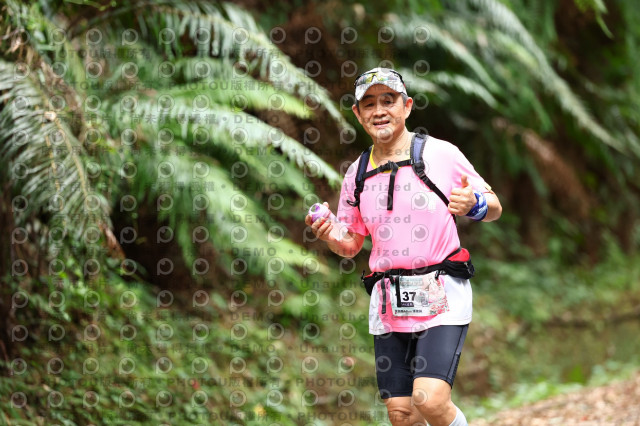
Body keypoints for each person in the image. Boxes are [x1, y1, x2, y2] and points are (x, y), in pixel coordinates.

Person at [305, 67, 502, 426]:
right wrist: (329, 234)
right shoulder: (356, 174)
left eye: (388, 100)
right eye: (369, 104)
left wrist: (474, 204)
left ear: (407, 106)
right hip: (389, 302)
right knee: (401, 414)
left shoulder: (441, 154)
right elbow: (351, 244)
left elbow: (494, 206)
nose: (379, 110)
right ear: (358, 114)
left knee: (430, 399)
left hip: (441, 294)